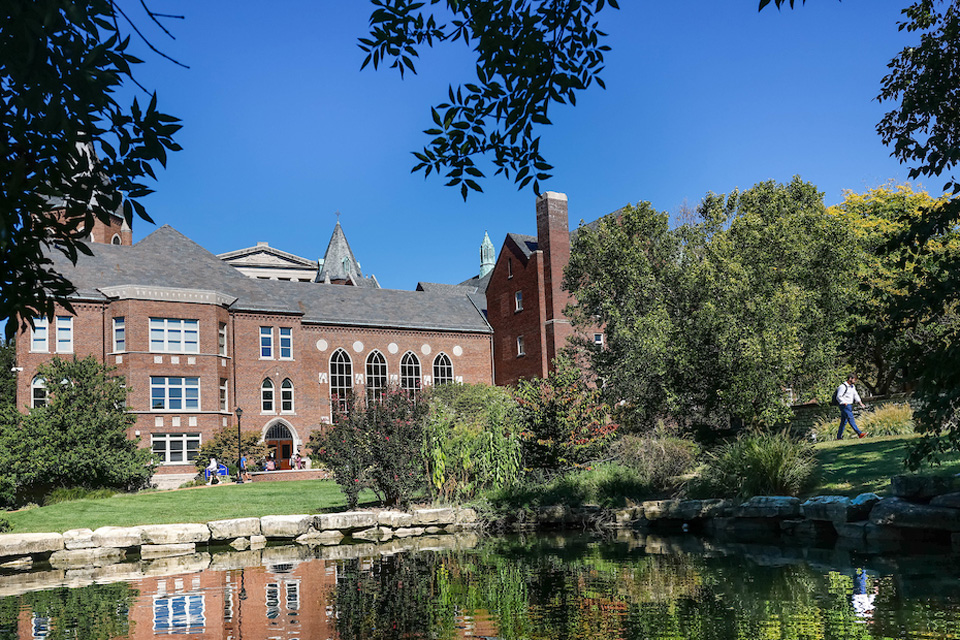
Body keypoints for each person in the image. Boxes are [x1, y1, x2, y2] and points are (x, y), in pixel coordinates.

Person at [836, 373, 867, 440]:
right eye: (854, 380)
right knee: (851, 419)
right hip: (844, 405)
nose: (855, 381)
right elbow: (838, 396)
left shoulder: (852, 387)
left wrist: (860, 403)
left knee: (843, 422)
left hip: (849, 405)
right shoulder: (842, 386)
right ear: (850, 378)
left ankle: (839, 437)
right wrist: (844, 402)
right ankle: (860, 434)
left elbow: (856, 395)